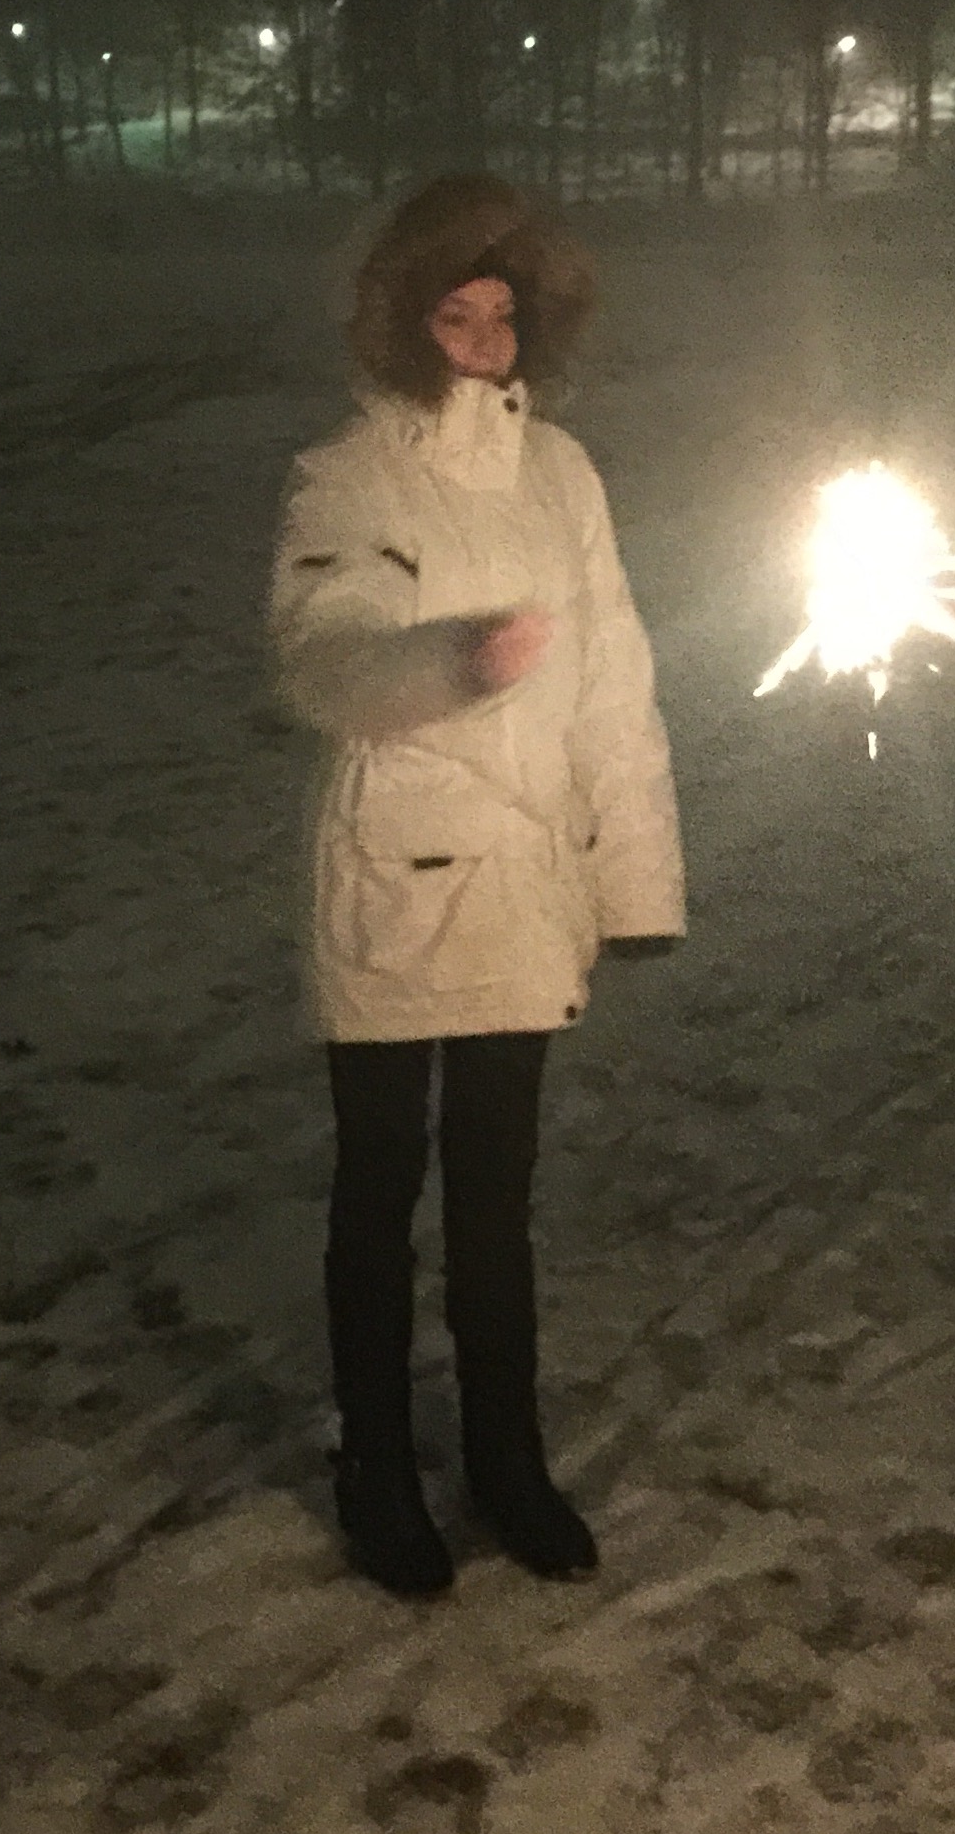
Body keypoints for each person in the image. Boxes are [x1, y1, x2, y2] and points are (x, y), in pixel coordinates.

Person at [269, 174, 685, 1598]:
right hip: (396, 879)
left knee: (497, 1197)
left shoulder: (563, 473)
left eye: (502, 315)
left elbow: (616, 680)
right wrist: (453, 660)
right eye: (456, 315)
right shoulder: (345, 475)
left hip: (525, 885)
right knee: (380, 1189)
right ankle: (377, 1464)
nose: (484, 341)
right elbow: (321, 659)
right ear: (404, 322)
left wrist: (634, 882)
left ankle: (509, 1457)